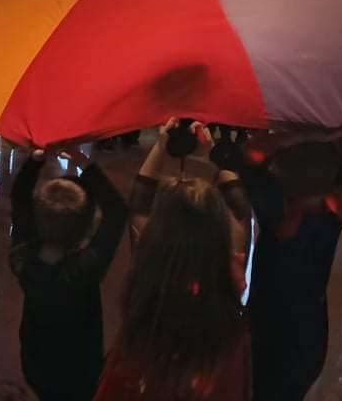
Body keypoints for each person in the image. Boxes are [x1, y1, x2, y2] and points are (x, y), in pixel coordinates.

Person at [94, 120, 251, 401]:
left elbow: (138, 204)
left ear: (157, 232)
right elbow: (242, 212)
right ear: (219, 230)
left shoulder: (150, 272)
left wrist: (160, 146)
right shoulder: (227, 275)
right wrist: (213, 157)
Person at [235, 130, 342, 401]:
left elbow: (248, 156)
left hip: (267, 326)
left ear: (278, 173)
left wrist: (289, 136)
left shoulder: (278, 215)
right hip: (310, 331)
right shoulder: (335, 213)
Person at [9, 144, 127, 401]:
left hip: (36, 361)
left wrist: (35, 161)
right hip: (81, 369)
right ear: (86, 228)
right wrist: (83, 162)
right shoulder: (85, 269)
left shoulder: (23, 258)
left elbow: (19, 198)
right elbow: (117, 211)